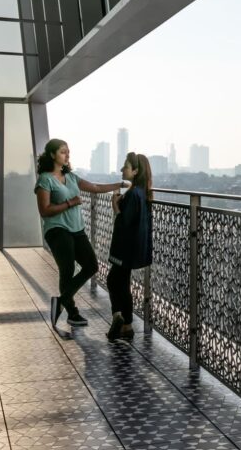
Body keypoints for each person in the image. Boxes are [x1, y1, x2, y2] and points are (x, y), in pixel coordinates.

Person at [35, 139, 126, 327]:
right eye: (62, 152)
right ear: (52, 155)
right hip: (57, 229)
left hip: (77, 229)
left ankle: (60, 302)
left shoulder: (73, 177)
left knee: (92, 265)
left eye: (68, 152)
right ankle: (72, 313)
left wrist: (122, 185)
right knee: (67, 270)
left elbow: (96, 188)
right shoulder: (45, 179)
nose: (67, 155)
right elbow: (44, 211)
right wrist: (70, 203)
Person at [106, 152, 153, 341]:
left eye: (125, 166)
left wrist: (115, 207)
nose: (121, 170)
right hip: (134, 247)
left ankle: (119, 317)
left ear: (135, 171)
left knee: (113, 280)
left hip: (124, 248)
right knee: (123, 283)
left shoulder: (133, 194)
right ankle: (126, 326)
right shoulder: (142, 192)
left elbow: (124, 222)